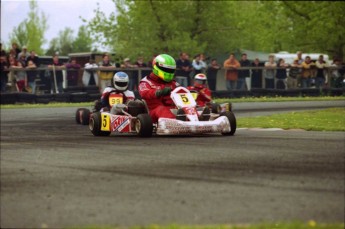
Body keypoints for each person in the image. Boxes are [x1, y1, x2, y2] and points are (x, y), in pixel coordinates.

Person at [138, 54, 180, 123]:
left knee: (188, 108)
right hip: (153, 112)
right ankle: (174, 123)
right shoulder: (146, 82)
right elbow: (144, 93)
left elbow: (181, 91)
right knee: (161, 109)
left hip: (173, 109)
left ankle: (196, 121)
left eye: (170, 70)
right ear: (156, 67)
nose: (168, 72)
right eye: (166, 69)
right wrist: (159, 92)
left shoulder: (173, 83)